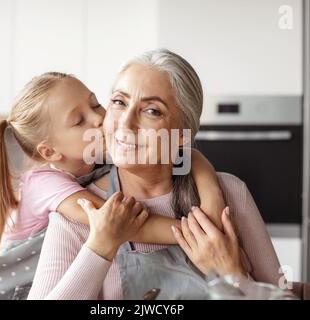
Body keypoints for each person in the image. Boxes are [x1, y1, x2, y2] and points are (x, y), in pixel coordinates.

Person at [28, 49, 281, 300]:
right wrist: (99, 248)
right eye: (119, 102)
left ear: (183, 134)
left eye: (152, 111)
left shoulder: (231, 193)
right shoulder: (80, 215)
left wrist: (231, 274)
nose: (125, 124)